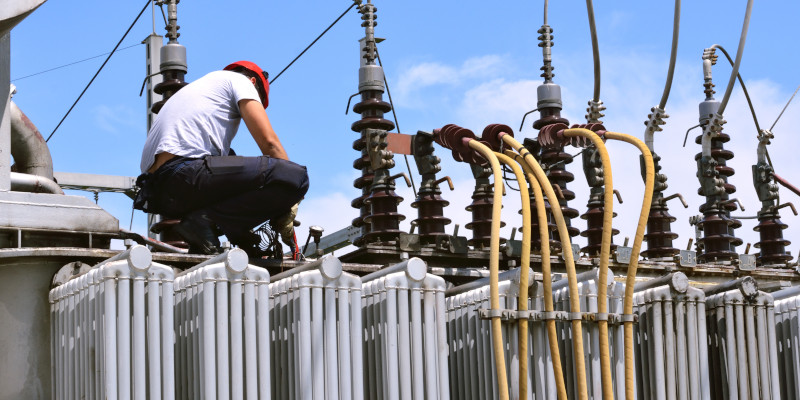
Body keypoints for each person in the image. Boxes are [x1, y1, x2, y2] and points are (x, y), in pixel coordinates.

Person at [134, 61, 309, 257]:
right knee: (294, 176)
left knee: (230, 158)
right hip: (185, 173)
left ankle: (217, 233)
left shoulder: (199, 89)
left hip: (160, 191)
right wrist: (292, 200)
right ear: (253, 82)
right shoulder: (240, 82)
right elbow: (269, 143)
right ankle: (204, 221)